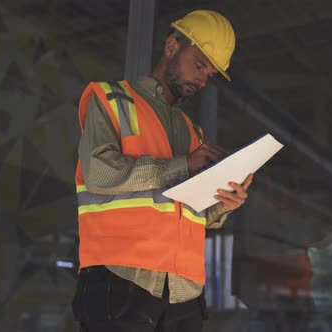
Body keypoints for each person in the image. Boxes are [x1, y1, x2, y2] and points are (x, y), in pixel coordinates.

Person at [71, 10, 252, 332]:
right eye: (199, 65)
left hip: (184, 292)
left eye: (209, 74)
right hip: (121, 278)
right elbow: (98, 173)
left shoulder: (192, 131)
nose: (202, 79)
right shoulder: (113, 100)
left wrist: (224, 203)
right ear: (171, 47)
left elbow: (185, 210)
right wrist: (184, 165)